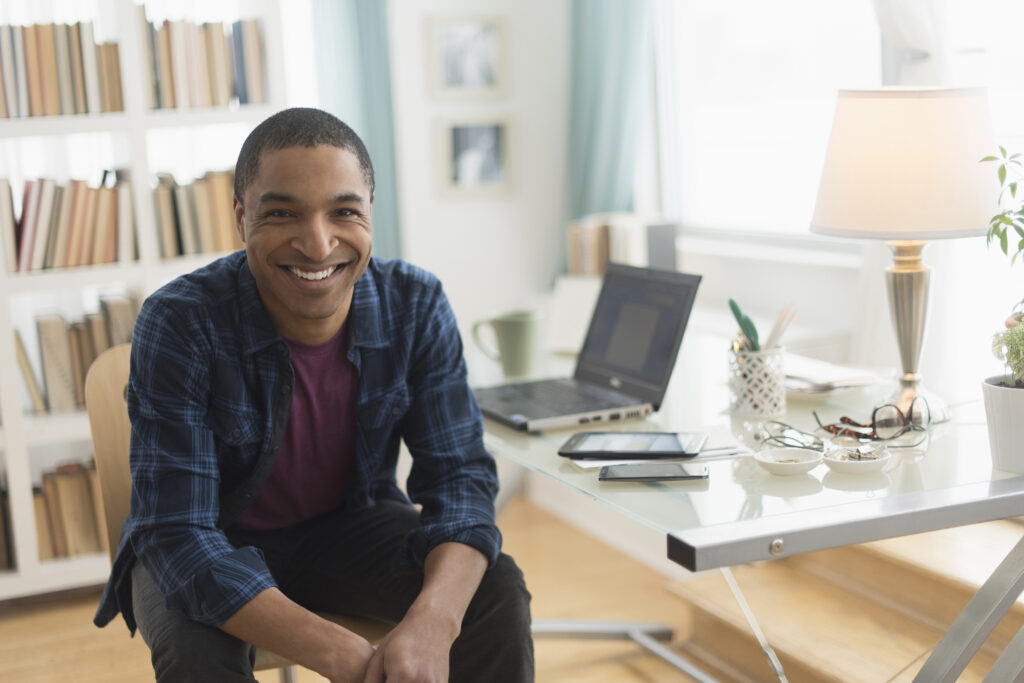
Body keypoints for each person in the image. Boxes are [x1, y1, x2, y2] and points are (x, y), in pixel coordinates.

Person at [93, 107, 534, 682]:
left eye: (344, 211)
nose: (318, 243)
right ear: (240, 216)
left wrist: (433, 621)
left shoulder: (416, 306)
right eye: (282, 213)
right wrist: (335, 650)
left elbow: (461, 483)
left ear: (370, 210)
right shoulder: (180, 321)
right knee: (196, 654)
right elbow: (178, 533)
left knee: (493, 588)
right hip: (210, 538)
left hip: (347, 526)